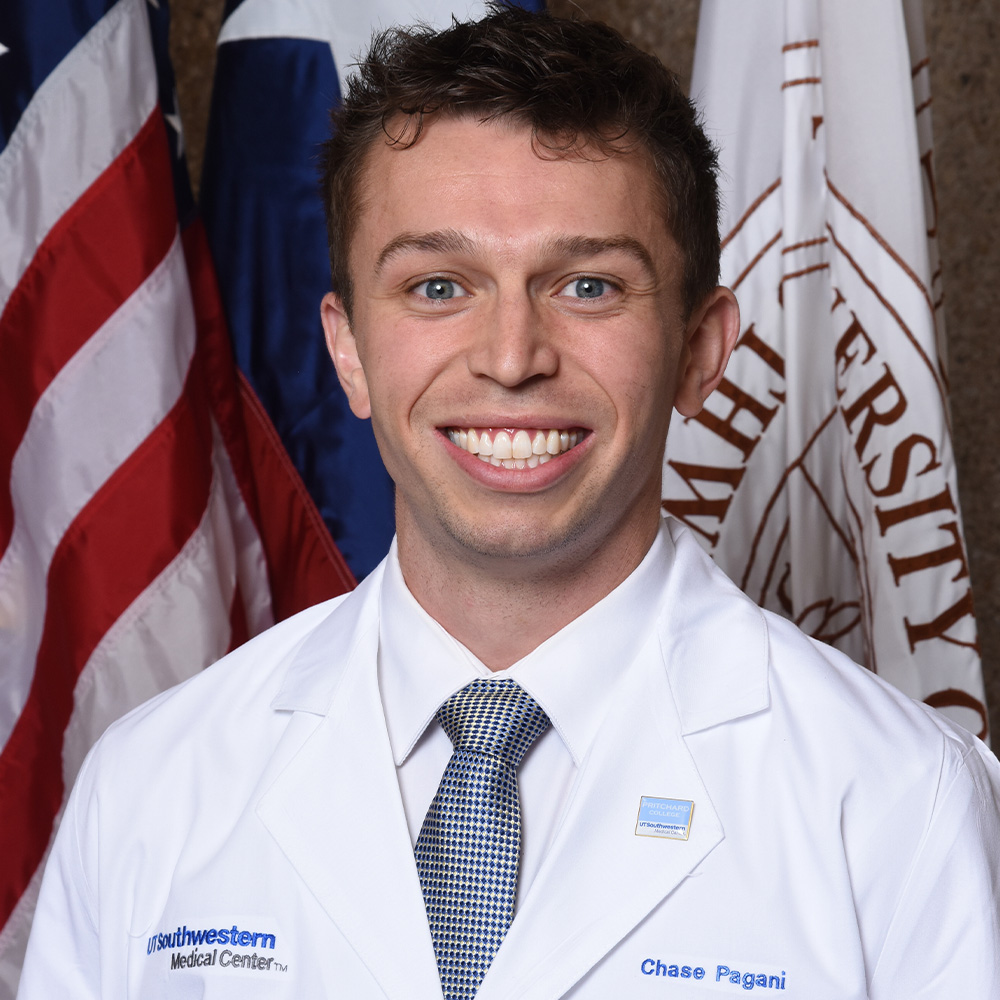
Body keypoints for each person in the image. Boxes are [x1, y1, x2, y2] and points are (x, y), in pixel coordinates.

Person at [17, 6, 1000, 999]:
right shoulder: (150, 787)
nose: (511, 357)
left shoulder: (898, 805)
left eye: (588, 286)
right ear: (348, 351)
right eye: (439, 287)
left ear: (700, 351)